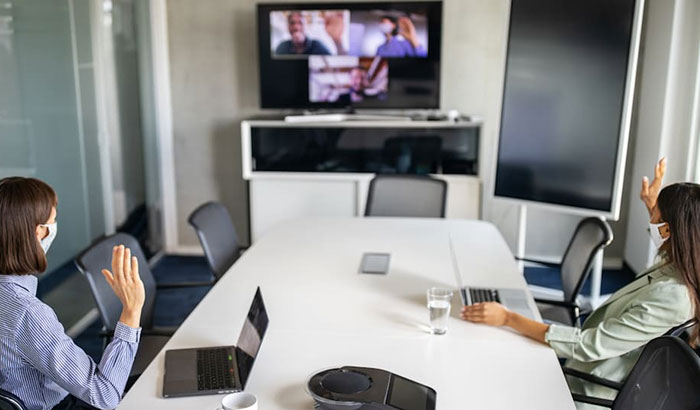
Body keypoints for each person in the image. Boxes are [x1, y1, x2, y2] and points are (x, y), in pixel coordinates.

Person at [461, 158, 699, 408]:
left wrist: (509, 318)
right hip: (581, 363)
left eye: (656, 220)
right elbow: (664, 241)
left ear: (668, 231)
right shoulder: (678, 262)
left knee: (486, 372)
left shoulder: (674, 297)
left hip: (584, 387)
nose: (651, 224)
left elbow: (589, 346)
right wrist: (652, 205)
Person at [0, 177, 145, 410]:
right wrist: (132, 309)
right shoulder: (27, 314)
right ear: (39, 233)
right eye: (53, 221)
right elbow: (104, 395)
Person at [275, 11, 345, 56]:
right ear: (288, 26)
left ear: (306, 26)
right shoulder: (282, 48)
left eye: (300, 23)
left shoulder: (318, 46)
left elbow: (338, 62)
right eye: (292, 23)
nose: (296, 27)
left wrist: (337, 40)